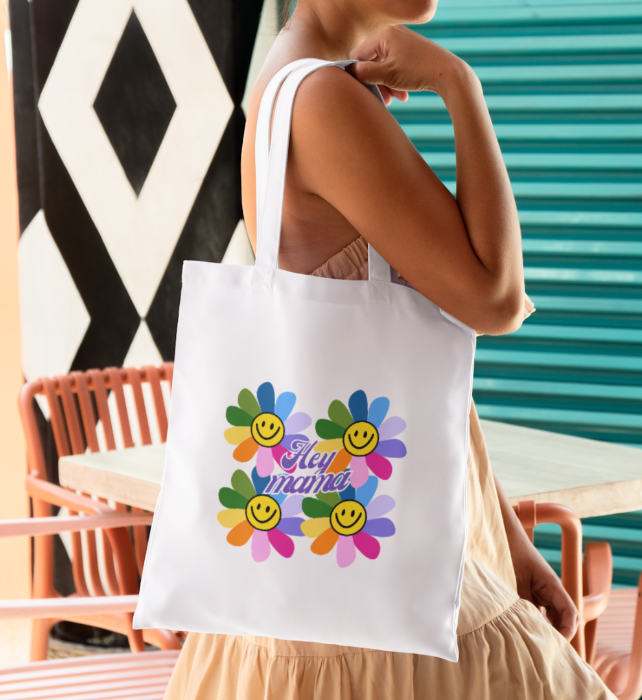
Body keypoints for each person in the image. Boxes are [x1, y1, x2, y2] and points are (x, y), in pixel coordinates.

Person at [164, 0, 615, 697]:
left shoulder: (297, 83)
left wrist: (508, 539)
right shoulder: (322, 101)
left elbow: (404, 365)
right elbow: (495, 298)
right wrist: (460, 85)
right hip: (379, 606)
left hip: (371, 561)